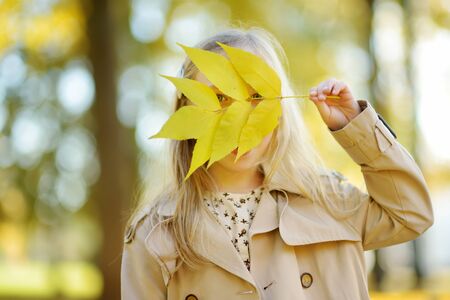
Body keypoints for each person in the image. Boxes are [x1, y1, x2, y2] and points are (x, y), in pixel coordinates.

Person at [120, 27, 434, 300]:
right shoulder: (156, 234)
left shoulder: (327, 199)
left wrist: (357, 131)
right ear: (186, 110)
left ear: (280, 107)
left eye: (256, 97)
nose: (239, 121)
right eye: (219, 99)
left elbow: (411, 214)